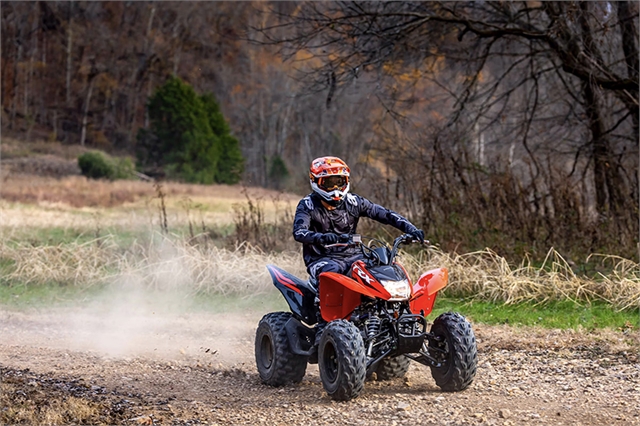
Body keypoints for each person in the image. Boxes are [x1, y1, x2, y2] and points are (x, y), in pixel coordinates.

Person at [293, 156, 425, 286]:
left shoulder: (354, 202)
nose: (335, 188)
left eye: (339, 182)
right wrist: (324, 237)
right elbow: (299, 232)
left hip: (354, 256)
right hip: (321, 259)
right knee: (332, 274)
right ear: (315, 182)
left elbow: (386, 214)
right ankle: (322, 305)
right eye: (329, 183)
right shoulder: (307, 205)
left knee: (382, 265)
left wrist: (411, 229)